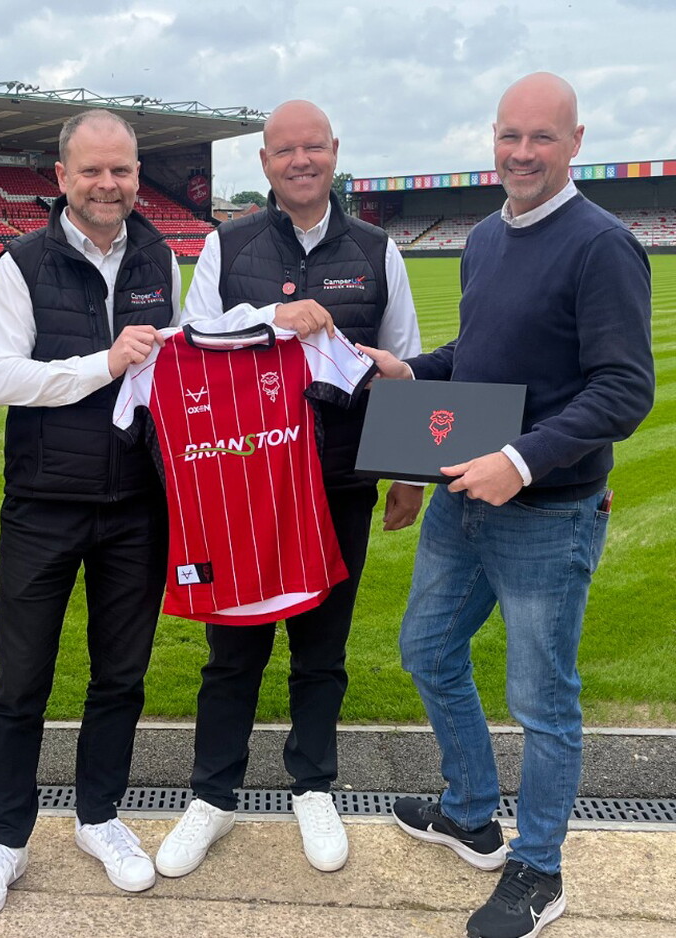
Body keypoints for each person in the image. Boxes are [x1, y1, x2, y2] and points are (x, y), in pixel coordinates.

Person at [360, 72, 654, 938]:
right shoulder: (487, 236)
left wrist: (521, 461)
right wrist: (419, 372)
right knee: (426, 650)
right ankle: (472, 812)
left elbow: (623, 390)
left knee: (543, 701)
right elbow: (484, 352)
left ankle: (540, 869)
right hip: (464, 500)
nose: (521, 153)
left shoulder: (601, 245)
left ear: (575, 142)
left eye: (541, 138)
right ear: (492, 139)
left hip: (548, 510)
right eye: (508, 136)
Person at [155, 99, 423, 878]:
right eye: (284, 151)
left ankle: (312, 785)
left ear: (333, 153)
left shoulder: (378, 250)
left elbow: (401, 363)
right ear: (265, 162)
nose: (300, 162)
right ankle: (212, 795)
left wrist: (407, 476)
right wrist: (274, 315)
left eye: (314, 149)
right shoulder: (225, 243)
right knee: (231, 649)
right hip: (241, 484)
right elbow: (191, 345)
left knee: (321, 649)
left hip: (338, 484)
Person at [0, 109, 180, 920]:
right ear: (61, 176)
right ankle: (5, 838)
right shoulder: (22, 261)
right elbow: (1, 379)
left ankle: (99, 816)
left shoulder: (158, 254)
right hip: (44, 504)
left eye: (122, 170)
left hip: (134, 505)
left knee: (119, 676)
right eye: (93, 171)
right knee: (21, 681)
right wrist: (105, 363)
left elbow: (175, 365)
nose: (110, 184)